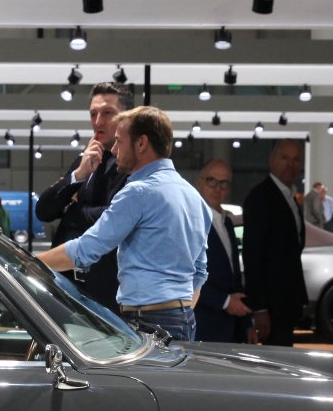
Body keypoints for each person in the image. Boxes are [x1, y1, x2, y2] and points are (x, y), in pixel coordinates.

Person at [37, 106, 211, 342]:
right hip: (183, 319)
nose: (114, 150)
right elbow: (199, 272)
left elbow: (86, 249)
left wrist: (27, 263)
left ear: (141, 144)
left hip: (149, 321)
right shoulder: (193, 196)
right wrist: (179, 310)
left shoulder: (139, 192)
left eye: (119, 141)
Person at [34, 82, 128, 312]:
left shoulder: (130, 166)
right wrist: (79, 174)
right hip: (67, 286)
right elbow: (44, 211)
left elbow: (113, 218)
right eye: (93, 114)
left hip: (105, 290)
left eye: (107, 113)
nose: (98, 122)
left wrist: (73, 211)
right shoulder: (84, 161)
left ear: (126, 117)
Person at [241, 139, 307, 346]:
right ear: (271, 160)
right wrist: (260, 308)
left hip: (287, 302)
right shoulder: (261, 197)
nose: (290, 164)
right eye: (284, 157)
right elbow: (253, 256)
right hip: (271, 305)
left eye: (296, 159)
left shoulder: (289, 196)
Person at [194, 160, 253, 344]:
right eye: (211, 180)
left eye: (224, 183)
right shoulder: (190, 221)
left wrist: (247, 323)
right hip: (203, 326)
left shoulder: (227, 222)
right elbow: (186, 276)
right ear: (199, 183)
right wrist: (225, 301)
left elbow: (234, 278)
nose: (217, 188)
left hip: (232, 328)